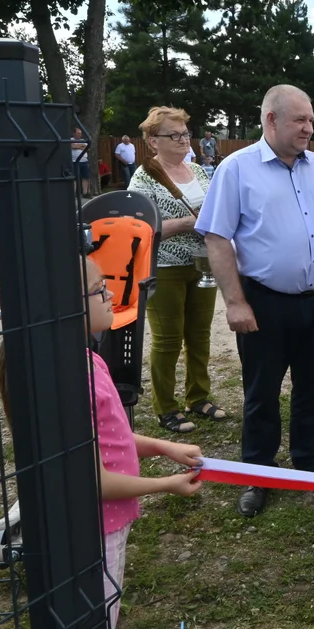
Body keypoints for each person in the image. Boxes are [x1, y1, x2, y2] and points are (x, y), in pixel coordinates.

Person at [0, 255, 204, 629]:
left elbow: (111, 437)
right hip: (93, 528)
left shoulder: (87, 362)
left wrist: (163, 447)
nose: (110, 295)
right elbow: (97, 481)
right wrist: (166, 485)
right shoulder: (71, 382)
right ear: (67, 307)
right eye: (98, 290)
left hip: (104, 523)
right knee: (96, 615)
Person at [196, 84, 314, 518]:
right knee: (261, 392)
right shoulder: (236, 169)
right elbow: (217, 237)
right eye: (299, 120)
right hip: (263, 301)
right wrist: (234, 302)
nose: (309, 127)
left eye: (310, 119)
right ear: (271, 120)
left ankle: (310, 464)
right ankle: (259, 473)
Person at [129, 106, 223, 434]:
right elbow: (139, 227)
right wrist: (188, 222)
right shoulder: (143, 177)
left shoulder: (197, 171)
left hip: (203, 263)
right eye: (175, 134)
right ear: (153, 141)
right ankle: (165, 407)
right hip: (165, 266)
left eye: (185, 133)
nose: (184, 139)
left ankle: (198, 397)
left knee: (199, 334)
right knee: (168, 339)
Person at [71, 125, 91, 198]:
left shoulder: (84, 141)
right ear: (74, 133)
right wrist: (80, 146)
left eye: (80, 133)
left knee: (86, 177)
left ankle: (85, 193)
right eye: (78, 133)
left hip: (84, 161)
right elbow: (72, 146)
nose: (80, 135)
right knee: (74, 178)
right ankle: (73, 194)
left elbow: (87, 148)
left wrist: (77, 146)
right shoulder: (70, 139)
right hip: (75, 161)